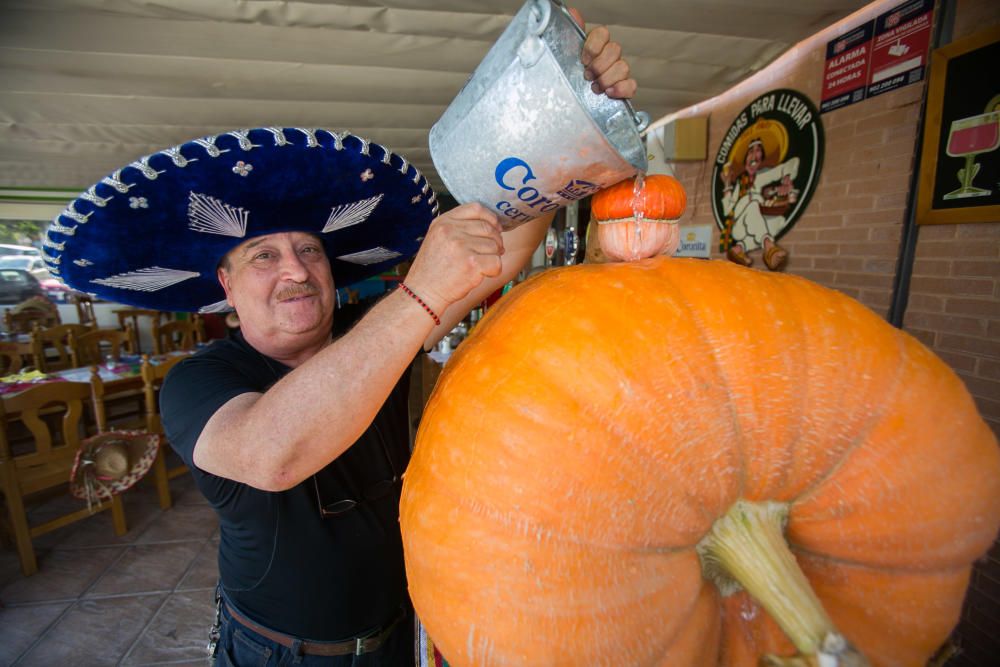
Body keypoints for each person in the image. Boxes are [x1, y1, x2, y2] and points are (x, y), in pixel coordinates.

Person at [40, 9, 638, 667]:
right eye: (263, 256)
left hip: (395, 639)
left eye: (309, 251)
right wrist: (418, 295)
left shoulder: (376, 327)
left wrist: (574, 116)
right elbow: (274, 452)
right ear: (225, 285)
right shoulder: (198, 381)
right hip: (280, 655)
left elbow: (511, 241)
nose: (295, 270)